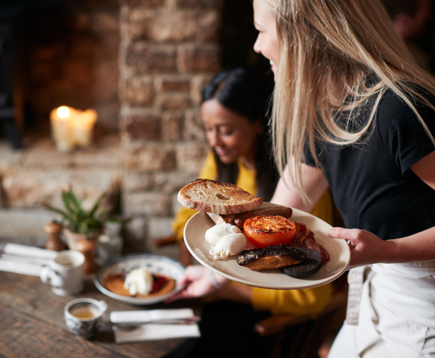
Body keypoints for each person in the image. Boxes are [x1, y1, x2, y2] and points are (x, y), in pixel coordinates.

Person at [170, 0, 435, 357]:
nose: (257, 46)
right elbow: (280, 212)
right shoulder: (325, 109)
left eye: (262, 30)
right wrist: (215, 273)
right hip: (376, 287)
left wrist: (388, 250)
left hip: (424, 302)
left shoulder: (402, 109)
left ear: (304, 34)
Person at [165, 67, 335, 358]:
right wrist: (193, 264)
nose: (214, 141)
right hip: (215, 294)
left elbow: (308, 294)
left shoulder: (295, 184)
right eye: (208, 128)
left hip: (266, 316)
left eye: (226, 130)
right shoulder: (221, 165)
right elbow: (187, 220)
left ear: (258, 122)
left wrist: (220, 286)